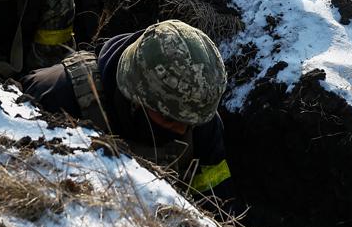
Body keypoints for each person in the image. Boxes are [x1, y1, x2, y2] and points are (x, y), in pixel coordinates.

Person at [20, 20, 234, 199]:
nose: (181, 131)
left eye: (191, 124)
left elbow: (218, 203)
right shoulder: (54, 94)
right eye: (169, 120)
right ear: (133, 98)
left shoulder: (196, 116)